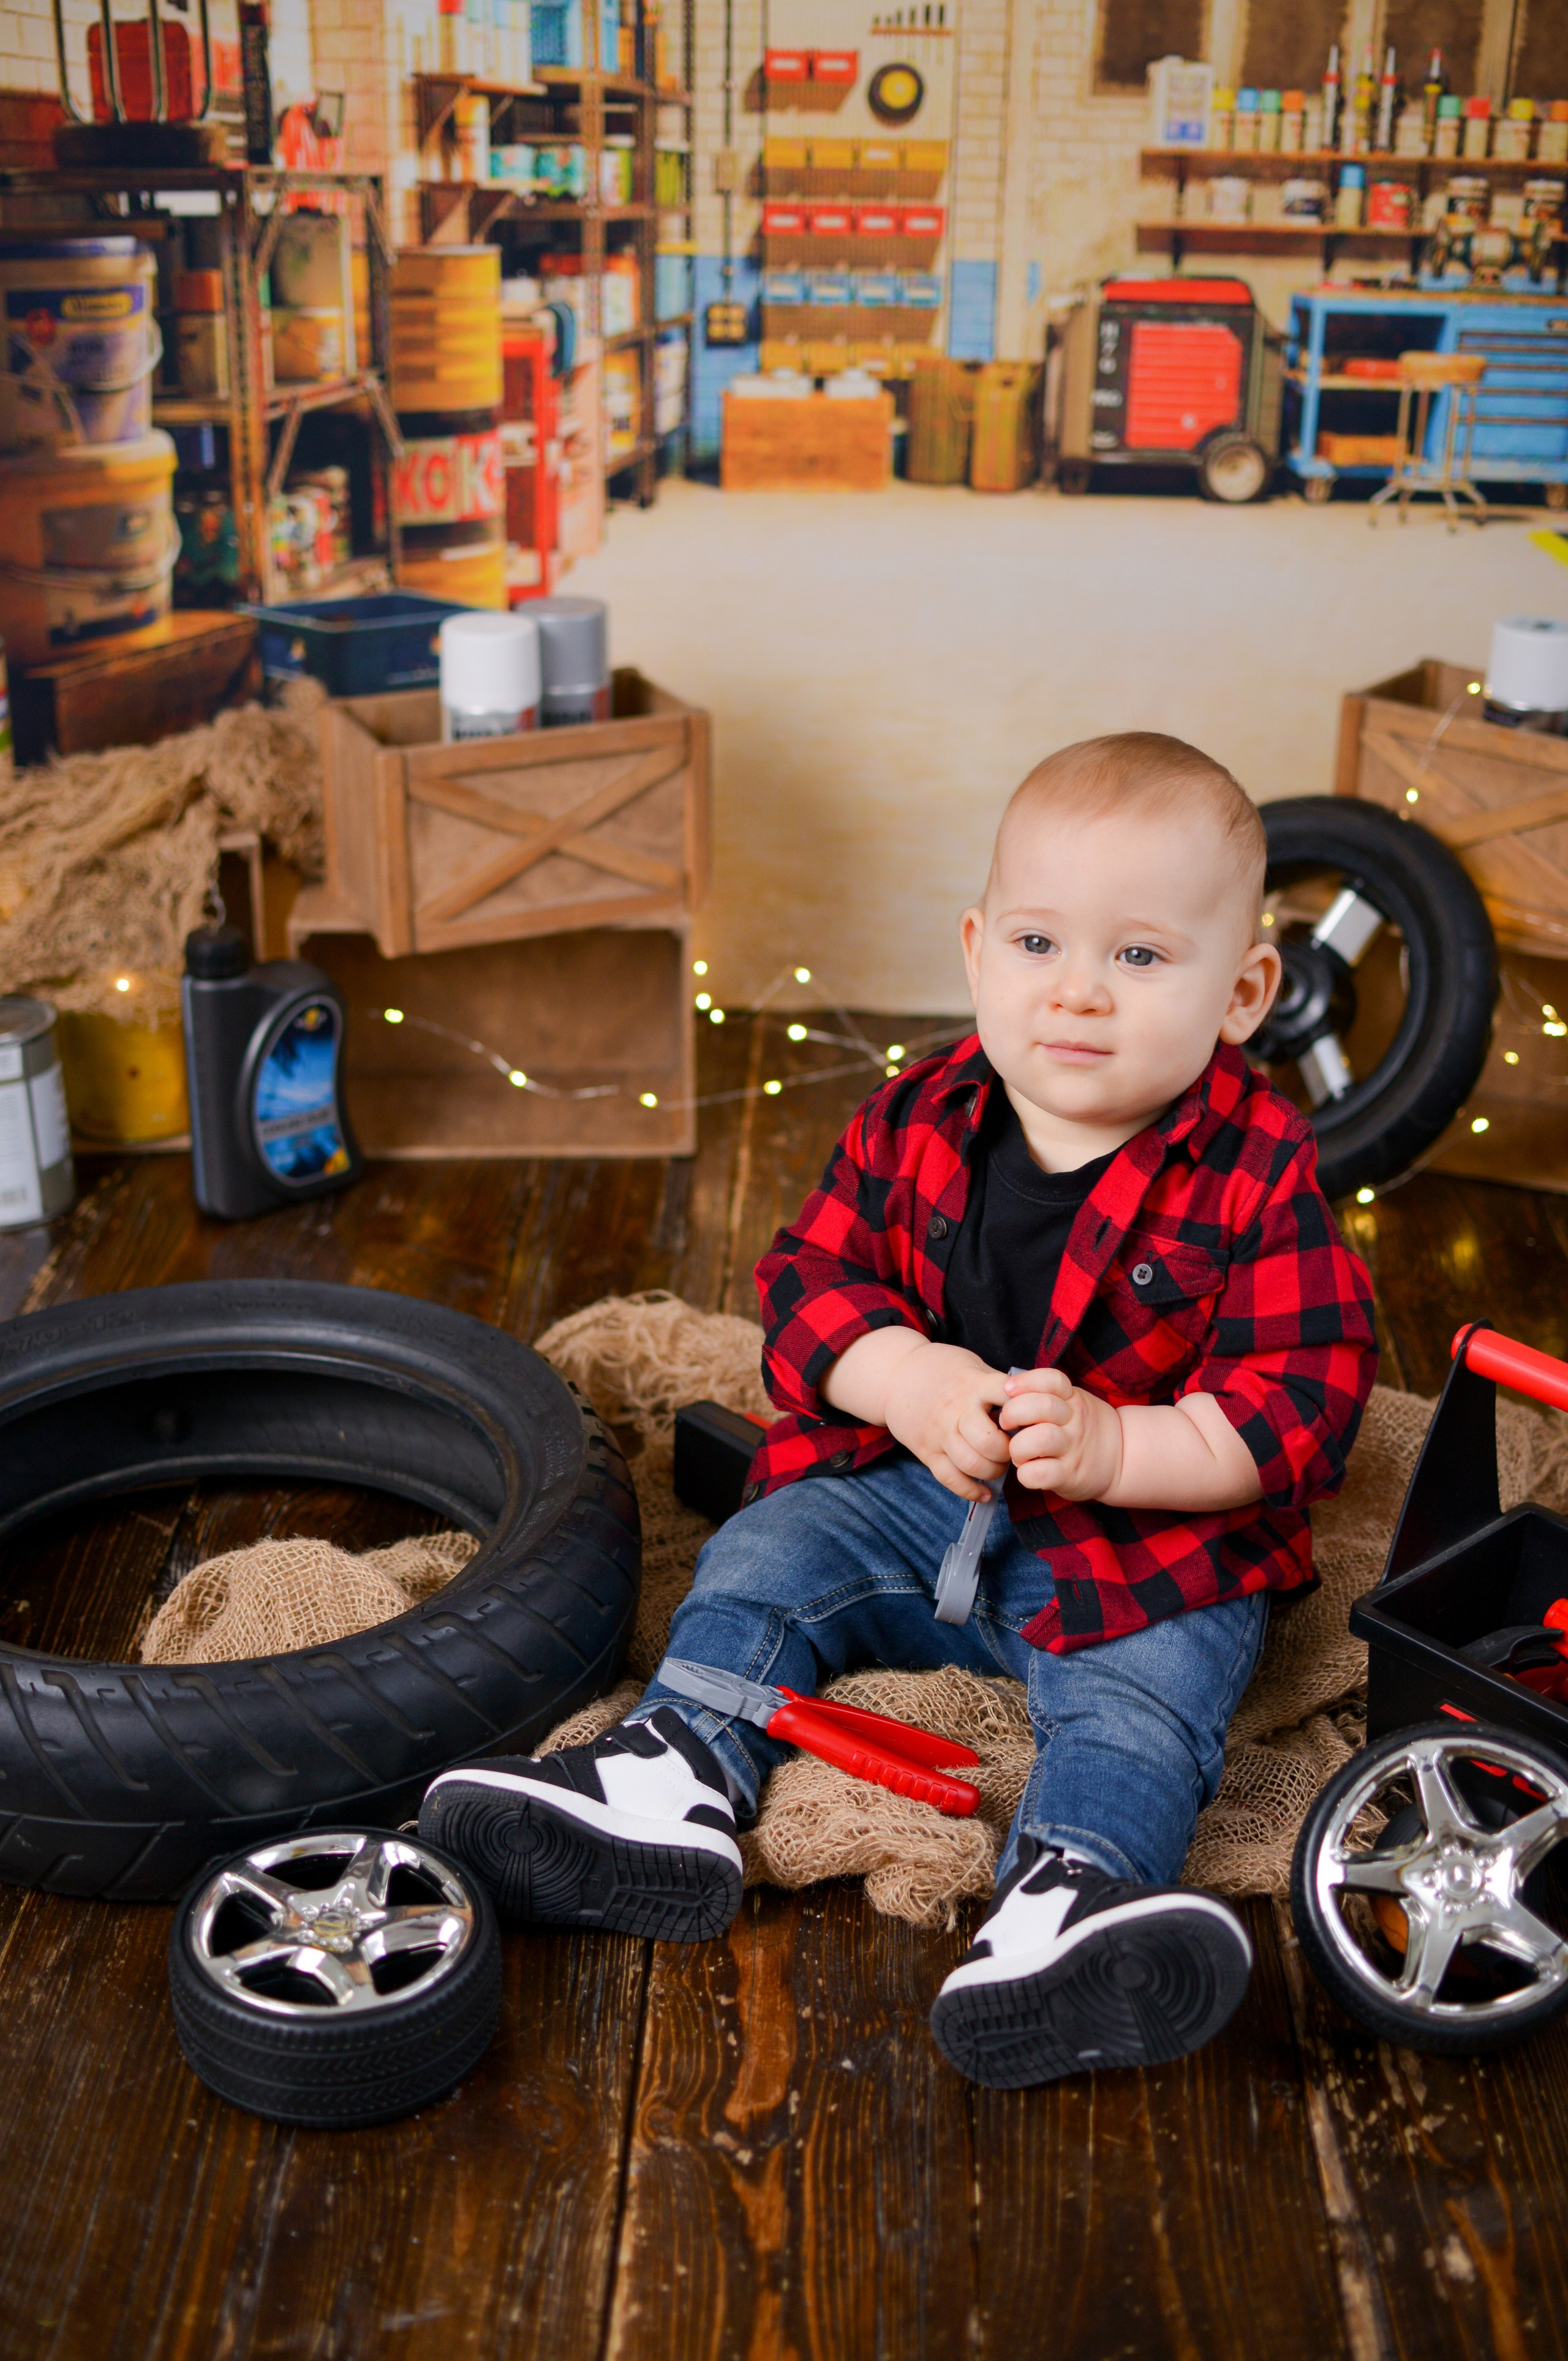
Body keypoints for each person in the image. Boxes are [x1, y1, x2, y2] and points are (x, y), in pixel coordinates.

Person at [422, 732, 1378, 2088]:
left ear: (1242, 993)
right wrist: (908, 1380)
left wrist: (1121, 1444)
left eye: (1139, 955)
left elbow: (1301, 1403)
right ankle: (672, 1774)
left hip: (1140, 1550)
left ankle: (1071, 1900)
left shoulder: (1257, 1170)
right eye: (1039, 942)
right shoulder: (918, 1113)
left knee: (1152, 1692)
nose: (1079, 991)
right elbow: (806, 1288)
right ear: (978, 950)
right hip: (920, 1495)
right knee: (768, 1552)